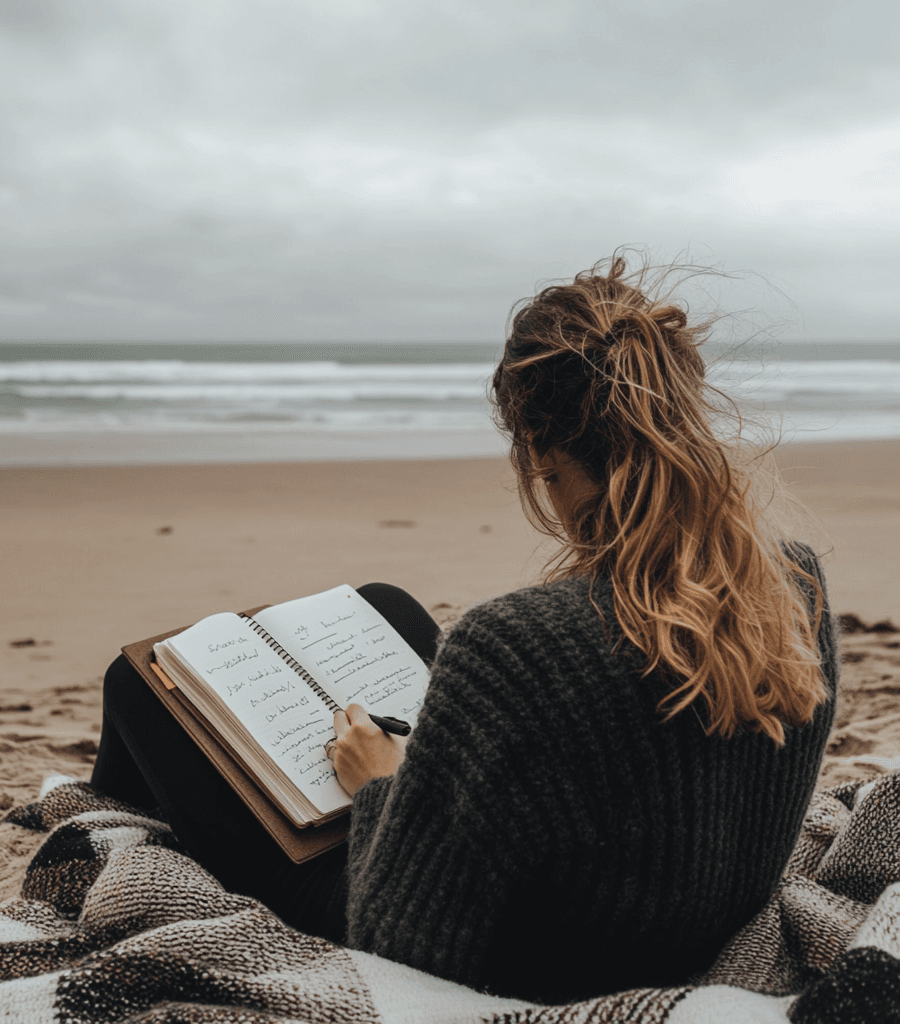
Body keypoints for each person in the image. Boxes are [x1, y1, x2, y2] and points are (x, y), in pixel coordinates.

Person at [92, 255, 839, 1005]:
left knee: (140, 677)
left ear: (540, 451)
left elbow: (404, 948)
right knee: (384, 602)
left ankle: (102, 824)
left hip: (527, 952)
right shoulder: (794, 583)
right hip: (681, 905)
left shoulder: (514, 643)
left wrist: (384, 784)